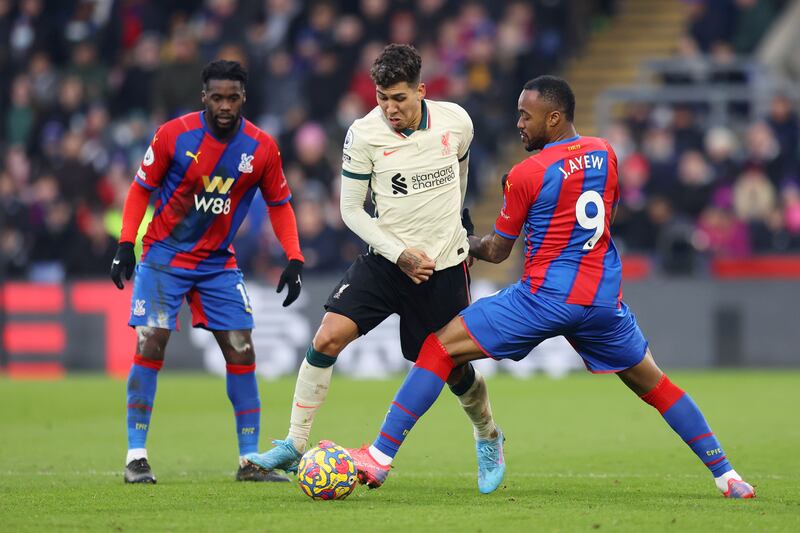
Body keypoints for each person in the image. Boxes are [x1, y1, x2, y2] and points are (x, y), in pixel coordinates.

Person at [343, 75, 755, 499]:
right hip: (600, 302)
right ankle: (728, 476)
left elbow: (498, 251)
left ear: (554, 118)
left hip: (543, 298)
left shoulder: (527, 173)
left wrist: (465, 244)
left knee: (438, 348)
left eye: (526, 115)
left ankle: (379, 455)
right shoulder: (606, 153)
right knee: (655, 384)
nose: (519, 123)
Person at [243, 44, 505, 494]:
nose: (389, 108)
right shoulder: (363, 135)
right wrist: (398, 251)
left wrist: (452, 232)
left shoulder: (456, 122)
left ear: (422, 90)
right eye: (382, 97)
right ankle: (294, 442)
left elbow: (459, 181)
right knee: (327, 336)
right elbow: (351, 211)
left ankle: (489, 436)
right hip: (386, 261)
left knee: (454, 368)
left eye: (399, 98)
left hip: (442, 266)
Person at [110, 59, 305, 484]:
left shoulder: (262, 148)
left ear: (243, 99)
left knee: (242, 349)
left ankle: (249, 460)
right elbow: (140, 188)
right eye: (216, 97)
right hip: (164, 255)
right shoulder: (173, 135)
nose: (224, 106)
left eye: (232, 98)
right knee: (151, 342)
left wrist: (293, 257)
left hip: (217, 262)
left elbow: (280, 205)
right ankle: (136, 455)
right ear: (204, 97)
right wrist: (126, 243)